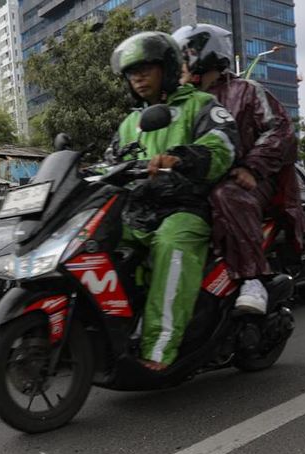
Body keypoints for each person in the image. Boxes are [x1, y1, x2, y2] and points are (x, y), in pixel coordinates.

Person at [108, 31, 238, 371]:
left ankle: (158, 351)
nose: (137, 77)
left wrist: (180, 157)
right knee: (99, 243)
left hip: (186, 208)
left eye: (145, 69)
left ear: (165, 68)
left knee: (170, 244)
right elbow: (109, 162)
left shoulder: (200, 105)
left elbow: (223, 146)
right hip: (140, 211)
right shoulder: (130, 123)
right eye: (131, 72)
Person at [172, 23, 305, 315]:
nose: (177, 66)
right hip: (195, 186)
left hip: (248, 183)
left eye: (183, 57)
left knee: (226, 193)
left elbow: (280, 132)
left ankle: (253, 280)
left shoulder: (246, 91)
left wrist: (252, 167)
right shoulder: (177, 102)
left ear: (204, 55)